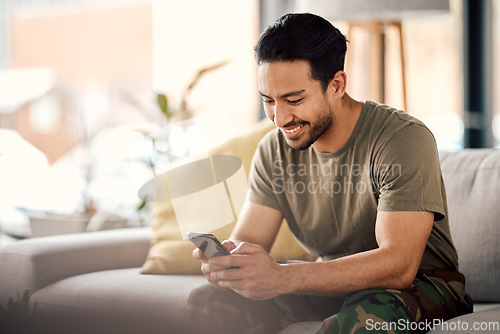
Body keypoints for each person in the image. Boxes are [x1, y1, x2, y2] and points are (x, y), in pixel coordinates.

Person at [187, 12, 472, 334]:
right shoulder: (273, 150)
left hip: (424, 283)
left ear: (337, 85)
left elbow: (399, 266)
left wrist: (283, 277)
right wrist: (230, 265)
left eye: (294, 99)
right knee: (210, 302)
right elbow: (249, 240)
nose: (279, 118)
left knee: (365, 318)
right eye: (268, 100)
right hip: (330, 281)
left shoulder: (402, 138)